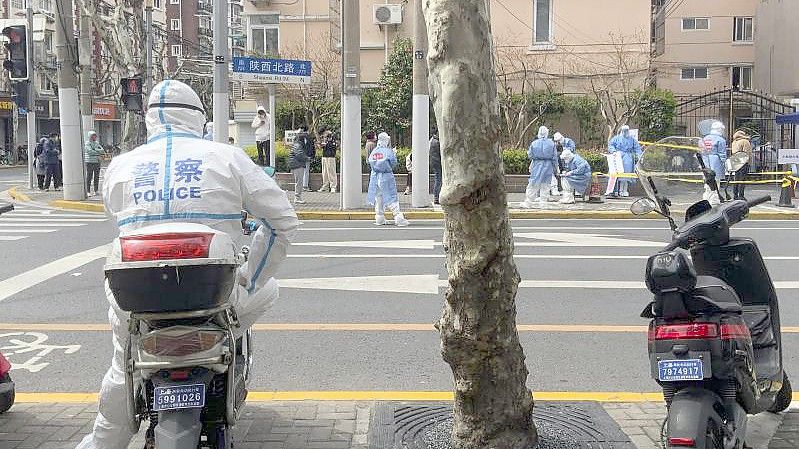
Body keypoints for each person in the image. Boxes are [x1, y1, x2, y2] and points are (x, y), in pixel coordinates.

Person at [75, 79, 299, 449]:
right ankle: (228, 363)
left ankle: (101, 443)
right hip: (216, 302)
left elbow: (118, 220)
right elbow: (283, 223)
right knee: (267, 288)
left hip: (138, 309)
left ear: (148, 120)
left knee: (123, 368)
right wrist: (248, 277)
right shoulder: (227, 158)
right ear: (198, 118)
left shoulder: (119, 167)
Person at [367, 132, 409, 227]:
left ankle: (379, 218)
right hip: (386, 176)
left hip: (375, 177)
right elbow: (393, 163)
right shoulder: (388, 151)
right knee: (391, 196)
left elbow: (370, 162)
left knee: (379, 198)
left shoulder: (375, 151)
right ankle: (398, 217)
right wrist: (394, 154)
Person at [520, 126, 558, 209]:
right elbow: (554, 157)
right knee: (545, 184)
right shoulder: (551, 143)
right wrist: (556, 168)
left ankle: (528, 202)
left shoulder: (534, 143)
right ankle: (543, 203)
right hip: (548, 166)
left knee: (533, 183)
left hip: (536, 165)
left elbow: (530, 155)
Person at [607, 125, 642, 198]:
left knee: (626, 174)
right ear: (621, 130)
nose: (625, 132)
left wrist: (640, 155)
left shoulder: (632, 139)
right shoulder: (616, 138)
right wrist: (613, 151)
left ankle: (624, 190)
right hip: (618, 157)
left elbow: (637, 148)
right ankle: (617, 190)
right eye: (624, 130)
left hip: (628, 158)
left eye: (626, 130)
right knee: (617, 174)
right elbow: (611, 145)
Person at [701, 121, 728, 206]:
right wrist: (725, 164)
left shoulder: (705, 139)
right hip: (716, 163)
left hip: (705, 162)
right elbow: (722, 154)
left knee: (707, 183)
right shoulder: (721, 140)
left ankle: (706, 200)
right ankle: (714, 201)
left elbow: (702, 151)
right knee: (716, 183)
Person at [289, 125, 310, 204]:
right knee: (299, 182)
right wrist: (307, 158)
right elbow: (299, 154)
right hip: (297, 165)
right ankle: (297, 197)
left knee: (299, 181)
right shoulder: (298, 145)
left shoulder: (297, 144)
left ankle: (298, 197)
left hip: (296, 164)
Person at [731, 130, 752, 200]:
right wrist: (749, 162)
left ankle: (735, 195)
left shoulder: (734, 142)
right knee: (742, 180)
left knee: (736, 179)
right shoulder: (745, 141)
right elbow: (747, 153)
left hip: (736, 161)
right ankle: (741, 195)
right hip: (743, 162)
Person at [317, 127, 338, 193]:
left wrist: (326, 144)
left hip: (331, 156)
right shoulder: (323, 137)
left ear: (325, 131)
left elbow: (335, 146)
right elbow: (321, 147)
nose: (323, 136)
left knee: (331, 171)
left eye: (323, 134)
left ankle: (333, 187)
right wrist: (320, 145)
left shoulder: (332, 136)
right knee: (324, 172)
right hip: (324, 156)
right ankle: (325, 186)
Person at [84, 131, 104, 196]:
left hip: (97, 161)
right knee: (89, 176)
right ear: (90, 136)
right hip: (89, 161)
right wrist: (98, 152)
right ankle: (88, 191)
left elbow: (102, 150)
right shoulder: (87, 143)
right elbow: (89, 152)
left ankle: (96, 190)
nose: (95, 137)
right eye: (93, 135)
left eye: (95, 135)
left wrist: (95, 150)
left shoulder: (97, 143)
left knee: (96, 176)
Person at [429, 134, 442, 205]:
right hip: (437, 162)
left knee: (438, 178)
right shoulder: (437, 142)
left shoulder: (432, 141)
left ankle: (437, 197)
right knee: (438, 179)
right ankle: (436, 198)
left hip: (434, 162)